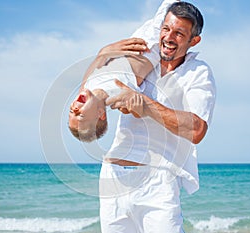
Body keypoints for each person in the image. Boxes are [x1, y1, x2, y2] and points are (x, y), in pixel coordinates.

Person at [98, 1, 216, 233]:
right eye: (166, 29)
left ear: (194, 41)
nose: (168, 37)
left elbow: (196, 129)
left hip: (158, 181)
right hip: (113, 180)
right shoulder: (142, 60)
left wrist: (145, 104)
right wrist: (104, 54)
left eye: (179, 33)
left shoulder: (198, 73)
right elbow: (99, 86)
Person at [68, 0, 178, 142]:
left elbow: (94, 67)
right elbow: (134, 110)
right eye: (80, 115)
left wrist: (104, 52)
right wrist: (137, 109)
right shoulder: (116, 100)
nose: (75, 109)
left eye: (71, 112)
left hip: (136, 39)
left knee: (157, 17)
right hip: (150, 48)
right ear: (100, 113)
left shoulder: (86, 88)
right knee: (168, 9)